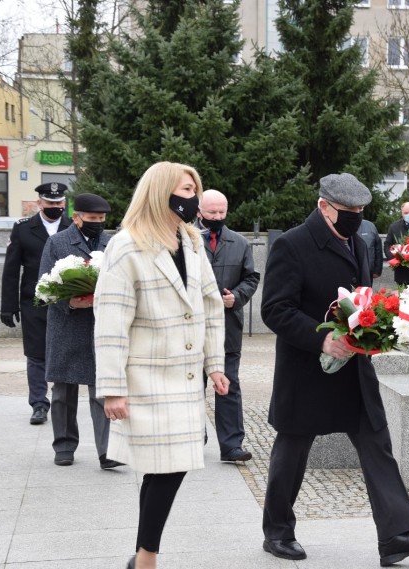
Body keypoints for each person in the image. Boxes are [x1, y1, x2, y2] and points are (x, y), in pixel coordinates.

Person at [260, 173, 409, 566]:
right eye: (349, 211)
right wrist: (322, 339)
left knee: (376, 442)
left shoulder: (359, 243)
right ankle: (277, 531)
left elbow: (361, 297)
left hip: (354, 368)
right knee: (293, 449)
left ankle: (395, 535)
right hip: (307, 368)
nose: (356, 218)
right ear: (324, 206)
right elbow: (275, 309)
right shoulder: (292, 245)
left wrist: (379, 327)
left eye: (361, 211)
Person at [94, 162, 230, 569]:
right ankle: (147, 557)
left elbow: (209, 306)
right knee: (169, 466)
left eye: (194, 190)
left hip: (186, 376)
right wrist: (113, 387)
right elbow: (111, 322)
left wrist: (215, 365)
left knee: (164, 467)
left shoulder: (190, 240)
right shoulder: (127, 246)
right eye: (186, 189)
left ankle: (141, 556)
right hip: (147, 378)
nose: (192, 198)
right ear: (160, 192)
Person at [40, 192, 123, 469]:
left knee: (102, 389)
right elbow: (43, 288)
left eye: (101, 219)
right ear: (77, 218)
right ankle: (64, 446)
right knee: (63, 391)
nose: (97, 223)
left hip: (101, 326)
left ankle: (107, 451)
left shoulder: (112, 243)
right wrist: (70, 302)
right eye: (92, 219)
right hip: (67, 326)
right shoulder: (57, 242)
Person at [195, 189, 260, 462]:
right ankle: (194, 435)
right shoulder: (183, 240)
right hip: (192, 327)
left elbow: (251, 277)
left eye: (222, 212)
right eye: (212, 213)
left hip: (227, 326)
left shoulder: (239, 242)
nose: (217, 217)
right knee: (192, 385)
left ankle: (231, 445)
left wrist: (237, 297)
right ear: (199, 212)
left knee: (228, 384)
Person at [0, 182, 72, 425]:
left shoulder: (72, 227)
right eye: (50, 203)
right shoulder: (22, 229)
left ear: (64, 203)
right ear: (39, 203)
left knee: (65, 352)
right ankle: (39, 404)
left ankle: (65, 402)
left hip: (67, 301)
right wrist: (8, 306)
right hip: (34, 302)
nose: (55, 207)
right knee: (36, 354)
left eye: (58, 203)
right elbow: (11, 270)